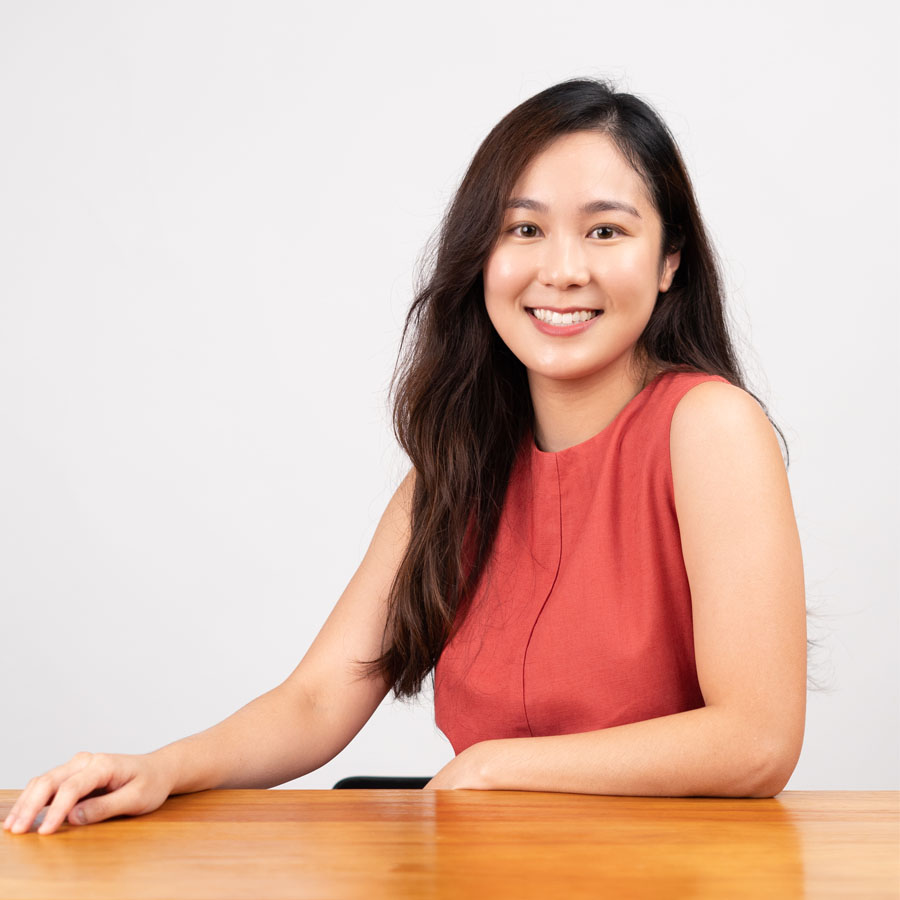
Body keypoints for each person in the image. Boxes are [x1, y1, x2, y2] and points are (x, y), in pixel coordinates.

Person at [3, 78, 807, 836]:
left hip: (675, 872)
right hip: (488, 868)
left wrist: (493, 768)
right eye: (524, 229)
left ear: (669, 261)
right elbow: (318, 700)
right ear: (481, 255)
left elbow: (757, 740)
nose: (562, 271)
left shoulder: (709, 427)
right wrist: (159, 769)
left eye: (606, 231)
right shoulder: (456, 471)